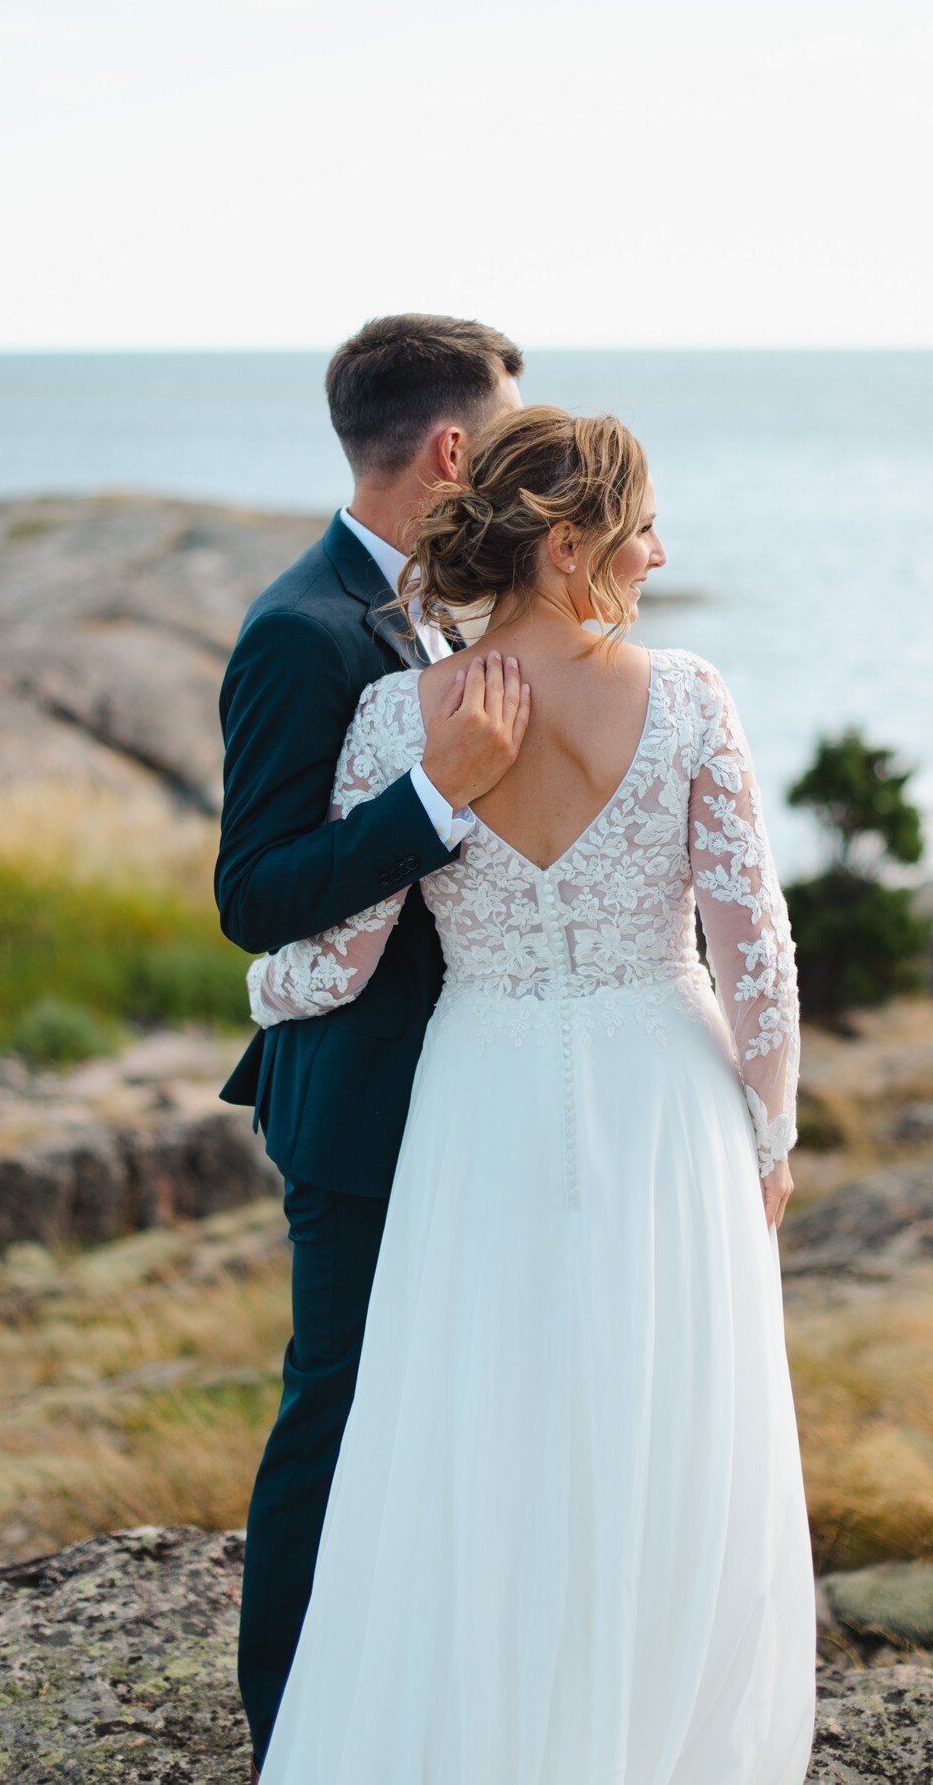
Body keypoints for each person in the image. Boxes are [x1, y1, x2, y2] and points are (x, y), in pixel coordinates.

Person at [243, 404, 818, 1782]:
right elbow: (759, 961)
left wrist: (262, 998)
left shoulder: (401, 714)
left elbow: (334, 956)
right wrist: (773, 1129)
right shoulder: (684, 696)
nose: (660, 553)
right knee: (662, 1427)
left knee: (476, 1426)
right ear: (569, 547)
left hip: (480, 1089)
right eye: (639, 530)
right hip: (666, 1100)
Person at [214, 314, 528, 1779]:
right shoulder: (303, 628)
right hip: (353, 1100)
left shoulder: (443, 608)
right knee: (332, 1416)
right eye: (511, 433)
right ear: (456, 450)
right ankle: (291, 1733)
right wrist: (435, 798)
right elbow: (254, 892)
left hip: (468, 1084)